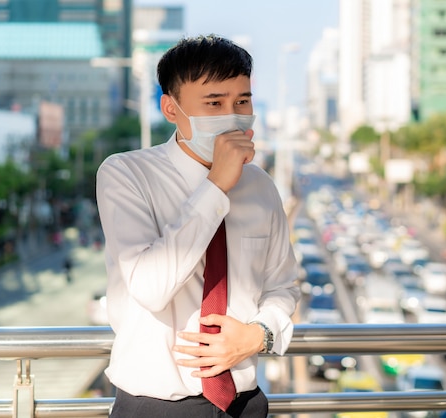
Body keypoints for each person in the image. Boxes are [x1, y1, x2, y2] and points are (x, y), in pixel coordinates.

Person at [95, 34, 300, 418]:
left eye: (242, 101)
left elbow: (283, 285)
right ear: (171, 109)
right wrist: (216, 186)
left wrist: (259, 334)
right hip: (154, 406)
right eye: (214, 103)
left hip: (244, 403)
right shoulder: (125, 174)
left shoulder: (260, 186)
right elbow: (150, 287)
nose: (233, 114)